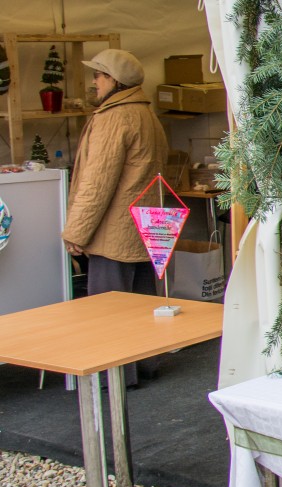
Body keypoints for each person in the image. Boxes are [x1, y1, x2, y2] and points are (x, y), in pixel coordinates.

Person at [62, 49, 169, 386]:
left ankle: (115, 377)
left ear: (114, 79)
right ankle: (143, 366)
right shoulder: (146, 114)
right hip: (143, 226)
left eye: (98, 75)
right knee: (142, 302)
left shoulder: (114, 117)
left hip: (115, 229)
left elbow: (97, 182)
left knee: (109, 308)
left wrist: (76, 231)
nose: (94, 82)